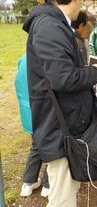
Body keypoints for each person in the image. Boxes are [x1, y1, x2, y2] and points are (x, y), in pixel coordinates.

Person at [23, 0, 97, 206]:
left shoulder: (55, 24)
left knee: (66, 194)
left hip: (64, 124)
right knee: (63, 200)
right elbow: (64, 78)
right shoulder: (50, 26)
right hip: (59, 128)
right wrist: (94, 72)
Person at [15, 54, 49, 198]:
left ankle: (28, 183)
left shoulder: (23, 59)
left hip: (28, 113)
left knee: (36, 146)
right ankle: (49, 185)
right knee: (55, 147)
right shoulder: (46, 57)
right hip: (43, 113)